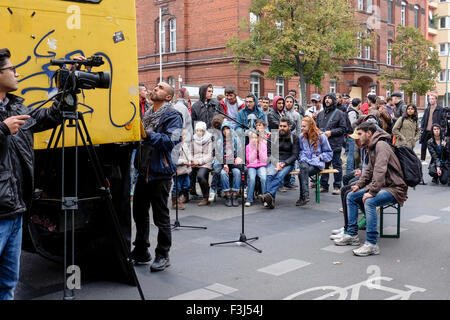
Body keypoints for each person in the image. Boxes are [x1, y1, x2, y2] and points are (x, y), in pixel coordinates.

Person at [0, 48, 64, 299]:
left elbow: (49, 116)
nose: (17, 73)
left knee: (8, 283)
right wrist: (2, 129)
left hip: (16, 209)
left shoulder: (15, 106)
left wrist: (67, 85)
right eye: (11, 69)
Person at [334, 122, 408, 257]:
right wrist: (359, 185)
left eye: (360, 134)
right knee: (351, 195)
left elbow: (380, 170)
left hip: (395, 188)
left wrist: (371, 192)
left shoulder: (381, 146)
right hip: (384, 185)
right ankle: (352, 234)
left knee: (370, 201)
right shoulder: (372, 146)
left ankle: (372, 244)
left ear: (369, 133)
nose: (358, 137)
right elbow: (368, 170)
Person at [132, 82, 182, 272]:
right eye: (156, 86)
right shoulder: (147, 114)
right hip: (143, 171)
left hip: (160, 173)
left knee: (161, 217)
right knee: (139, 213)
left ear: (168, 97)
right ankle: (141, 251)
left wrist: (148, 134)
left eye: (161, 88)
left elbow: (171, 140)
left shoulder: (173, 115)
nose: (155, 88)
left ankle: (163, 254)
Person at [258, 117, 300, 209]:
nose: (281, 128)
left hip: (287, 162)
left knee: (280, 175)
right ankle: (270, 199)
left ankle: (267, 196)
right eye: (280, 126)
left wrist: (284, 163)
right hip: (274, 161)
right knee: (269, 175)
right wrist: (276, 163)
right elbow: (269, 153)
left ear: (289, 127)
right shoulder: (273, 136)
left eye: (284, 126)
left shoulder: (295, 138)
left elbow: (295, 155)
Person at [296, 117, 333, 206]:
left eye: (304, 126)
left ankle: (303, 197)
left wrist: (319, 157)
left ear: (311, 126)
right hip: (305, 162)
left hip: (317, 164)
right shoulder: (301, 137)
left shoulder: (321, 136)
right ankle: (305, 196)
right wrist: (303, 157)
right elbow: (300, 151)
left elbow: (329, 153)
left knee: (302, 172)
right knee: (303, 167)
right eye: (301, 126)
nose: (302, 128)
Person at [316, 93, 347, 195]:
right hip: (323, 144)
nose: (327, 100)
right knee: (324, 165)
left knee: (337, 165)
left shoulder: (339, 113)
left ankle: (337, 186)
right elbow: (316, 127)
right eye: (326, 98)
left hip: (335, 144)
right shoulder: (320, 114)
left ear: (334, 100)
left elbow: (343, 128)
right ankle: (324, 185)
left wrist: (331, 132)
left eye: (329, 98)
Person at [213, 120, 243, 207]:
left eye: (228, 129)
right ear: (222, 131)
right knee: (223, 173)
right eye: (224, 130)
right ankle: (227, 195)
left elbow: (240, 152)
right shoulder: (219, 142)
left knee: (237, 172)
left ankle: (235, 195)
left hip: (233, 163)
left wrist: (239, 157)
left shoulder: (235, 140)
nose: (226, 131)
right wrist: (224, 164)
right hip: (223, 163)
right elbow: (218, 155)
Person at [245, 122, 268, 206]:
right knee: (252, 178)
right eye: (252, 138)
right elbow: (249, 159)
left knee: (264, 178)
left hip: (261, 165)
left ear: (259, 138)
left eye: (255, 138)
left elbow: (264, 159)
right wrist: (254, 149)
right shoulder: (248, 147)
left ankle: (265, 199)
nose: (254, 139)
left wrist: (258, 149)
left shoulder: (263, 145)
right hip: (251, 165)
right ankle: (249, 199)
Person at [191, 121, 213, 205]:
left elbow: (209, 155)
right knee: (186, 172)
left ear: (204, 131)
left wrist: (199, 162)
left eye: (200, 130)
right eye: (197, 130)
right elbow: (190, 152)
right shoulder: (193, 139)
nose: (198, 132)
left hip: (205, 162)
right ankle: (186, 194)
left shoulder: (209, 139)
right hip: (194, 162)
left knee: (200, 176)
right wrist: (193, 160)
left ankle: (205, 196)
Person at [420, 93, 447, 161]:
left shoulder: (440, 109)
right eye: (429, 99)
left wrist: (441, 130)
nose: (431, 100)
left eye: (432, 99)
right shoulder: (427, 109)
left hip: (435, 131)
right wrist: (422, 128)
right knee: (424, 145)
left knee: (436, 146)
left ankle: (436, 160)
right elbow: (423, 119)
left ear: (436, 99)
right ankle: (423, 160)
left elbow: (443, 121)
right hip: (426, 130)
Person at [171, 129, 191, 210]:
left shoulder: (185, 145)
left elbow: (188, 154)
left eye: (184, 135)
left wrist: (190, 161)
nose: (183, 137)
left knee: (186, 185)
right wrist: (184, 162)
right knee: (177, 186)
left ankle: (180, 197)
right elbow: (173, 159)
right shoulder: (175, 146)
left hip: (185, 170)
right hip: (178, 170)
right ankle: (175, 202)